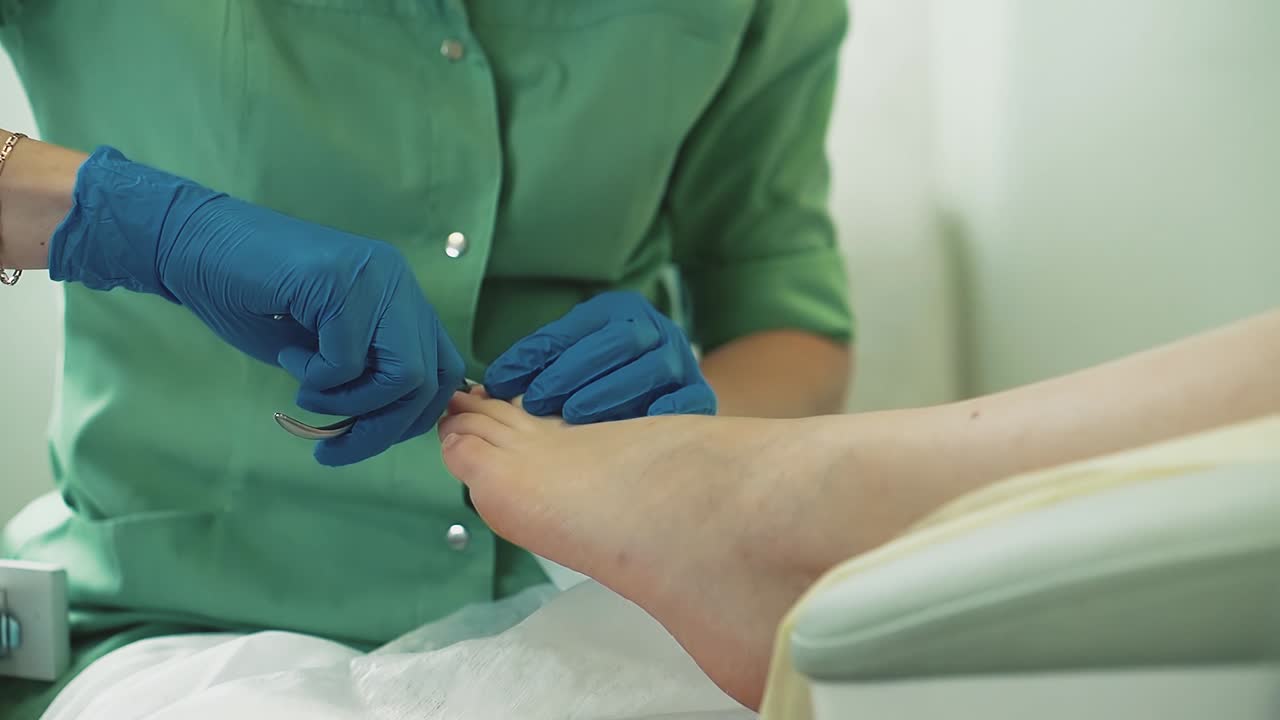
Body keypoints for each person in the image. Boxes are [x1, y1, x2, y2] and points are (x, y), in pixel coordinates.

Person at [0, 1, 854, 715]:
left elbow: (785, 314)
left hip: (604, 601)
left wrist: (694, 423)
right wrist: (131, 220)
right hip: (185, 625)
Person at [437, 308, 1280, 709]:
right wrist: (291, 259)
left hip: (635, 438)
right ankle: (787, 489)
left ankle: (777, 487)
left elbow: (789, 316)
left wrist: (687, 427)